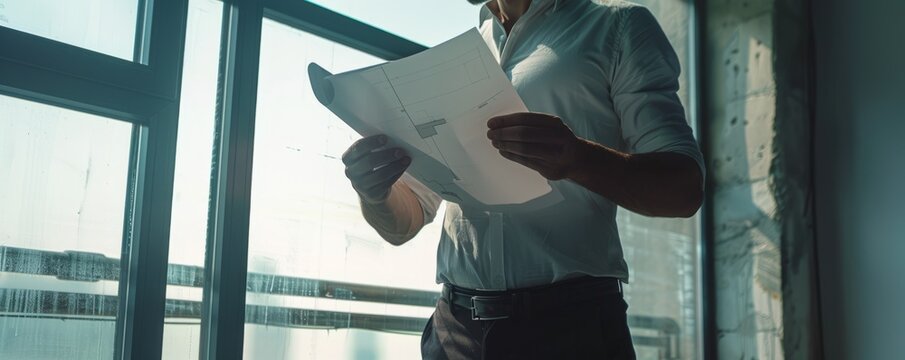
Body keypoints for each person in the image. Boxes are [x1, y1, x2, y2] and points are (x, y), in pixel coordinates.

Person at [341, 0, 703, 358]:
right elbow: (404, 222)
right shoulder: (457, 55)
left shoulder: (618, 26)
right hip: (454, 331)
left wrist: (577, 158)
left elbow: (684, 189)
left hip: (570, 332)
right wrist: (375, 194)